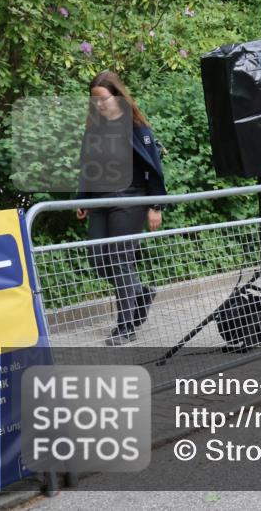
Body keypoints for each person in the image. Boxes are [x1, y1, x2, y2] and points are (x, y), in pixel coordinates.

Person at [76, 70, 166, 346]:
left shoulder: (137, 128)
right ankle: (140, 293)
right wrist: (83, 199)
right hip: (100, 203)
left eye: (103, 99)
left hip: (130, 201)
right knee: (98, 261)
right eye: (95, 101)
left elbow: (154, 169)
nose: (99, 105)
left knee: (119, 260)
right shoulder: (94, 129)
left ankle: (125, 327)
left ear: (118, 96)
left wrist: (155, 205)